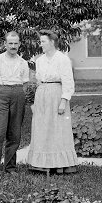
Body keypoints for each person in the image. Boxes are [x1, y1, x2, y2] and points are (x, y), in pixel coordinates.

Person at [27, 32, 78, 174]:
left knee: (58, 128)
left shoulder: (62, 59)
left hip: (57, 94)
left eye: (43, 41)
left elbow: (68, 82)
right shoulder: (40, 60)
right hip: (42, 95)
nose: (41, 44)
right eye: (41, 41)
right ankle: (42, 163)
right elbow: (37, 80)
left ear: (52, 42)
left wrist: (63, 101)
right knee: (42, 128)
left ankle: (61, 164)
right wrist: (35, 101)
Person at [0, 31, 30, 181]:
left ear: (19, 44)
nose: (13, 46)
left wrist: (19, 95)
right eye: (10, 43)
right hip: (0, 94)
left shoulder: (23, 63)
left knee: (14, 134)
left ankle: (10, 167)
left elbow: (25, 84)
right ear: (5, 44)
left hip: (17, 94)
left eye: (16, 43)